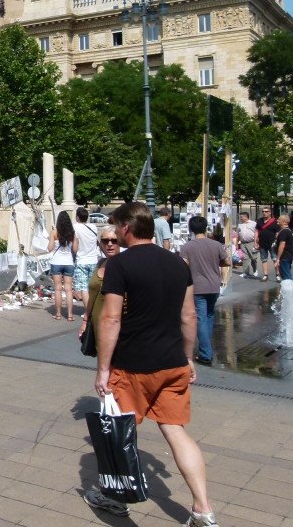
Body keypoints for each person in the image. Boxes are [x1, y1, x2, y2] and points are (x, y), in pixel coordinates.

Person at [85, 202, 219, 527]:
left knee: (119, 434)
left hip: (134, 365)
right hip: (172, 363)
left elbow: (111, 317)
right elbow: (188, 316)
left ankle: (115, 498)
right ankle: (203, 509)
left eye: (117, 228)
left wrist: (103, 369)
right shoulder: (177, 263)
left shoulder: (120, 265)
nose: (115, 234)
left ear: (128, 229)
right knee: (176, 431)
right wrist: (188, 357)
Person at [178, 216, 230, 367]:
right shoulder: (215, 244)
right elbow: (227, 262)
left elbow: (183, 266)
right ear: (206, 227)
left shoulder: (187, 247)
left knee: (200, 318)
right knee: (208, 316)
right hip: (214, 285)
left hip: (197, 286)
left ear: (191, 229)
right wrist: (214, 262)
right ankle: (206, 349)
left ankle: (206, 353)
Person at [78, 225, 120, 345]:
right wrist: (85, 320)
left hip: (115, 329)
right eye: (105, 241)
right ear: (100, 243)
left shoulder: (124, 265)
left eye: (114, 240)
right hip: (96, 325)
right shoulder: (101, 263)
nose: (110, 244)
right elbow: (92, 296)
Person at [49, 211, 79, 322]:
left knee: (57, 289)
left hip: (56, 262)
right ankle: (70, 315)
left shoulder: (54, 232)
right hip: (69, 263)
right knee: (69, 290)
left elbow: (50, 248)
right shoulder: (72, 233)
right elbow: (75, 250)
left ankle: (58, 314)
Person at [72, 207, 99, 319]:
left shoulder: (75, 227)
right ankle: (95, 309)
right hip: (93, 260)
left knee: (84, 288)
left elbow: (75, 247)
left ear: (77, 216)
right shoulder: (94, 227)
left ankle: (88, 312)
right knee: (92, 287)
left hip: (81, 260)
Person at [256, 207, 278, 282]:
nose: (264, 212)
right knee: (264, 259)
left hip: (272, 244)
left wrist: (276, 241)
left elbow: (277, 233)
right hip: (262, 243)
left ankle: (277, 275)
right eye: (263, 211)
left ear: (270, 212)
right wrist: (255, 242)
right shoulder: (259, 221)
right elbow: (256, 231)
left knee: (275, 259)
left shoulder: (274, 221)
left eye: (266, 211)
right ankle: (265, 275)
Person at [236, 211, 259, 279]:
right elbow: (238, 234)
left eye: (241, 217)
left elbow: (256, 233)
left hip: (251, 243)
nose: (240, 218)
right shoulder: (240, 225)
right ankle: (245, 272)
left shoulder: (253, 224)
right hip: (243, 243)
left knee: (253, 258)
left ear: (246, 217)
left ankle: (255, 270)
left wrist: (256, 242)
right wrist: (237, 243)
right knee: (245, 258)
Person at [274, 213, 293, 281]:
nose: (277, 220)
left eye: (279, 219)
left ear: (284, 222)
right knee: (286, 275)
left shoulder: (284, 231)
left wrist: (278, 258)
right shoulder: (288, 230)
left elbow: (282, 245)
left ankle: (290, 290)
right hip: (288, 256)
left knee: (286, 277)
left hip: (284, 257)